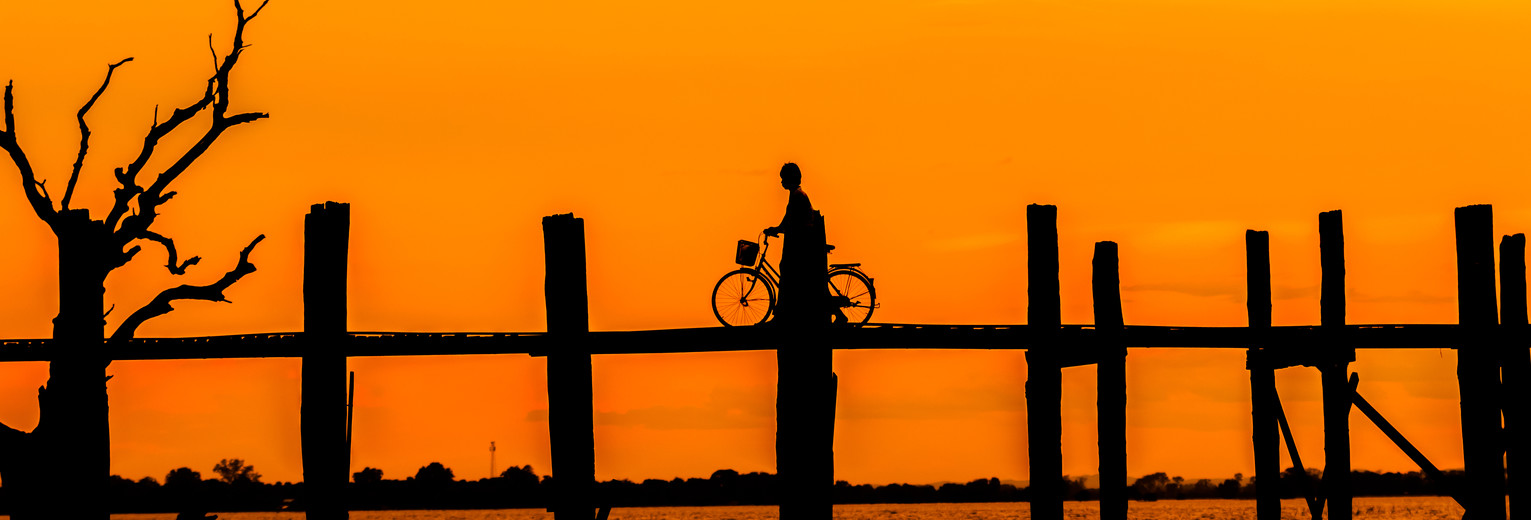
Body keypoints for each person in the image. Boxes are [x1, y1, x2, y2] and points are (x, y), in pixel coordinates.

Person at [763, 163, 846, 325]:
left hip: (803, 247)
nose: (781, 182)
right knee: (805, 284)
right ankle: (782, 315)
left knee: (804, 283)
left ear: (790, 178)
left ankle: (780, 316)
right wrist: (778, 228)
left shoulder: (798, 196)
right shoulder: (796, 195)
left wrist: (777, 229)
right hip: (802, 246)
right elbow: (789, 219)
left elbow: (793, 220)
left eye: (783, 178)